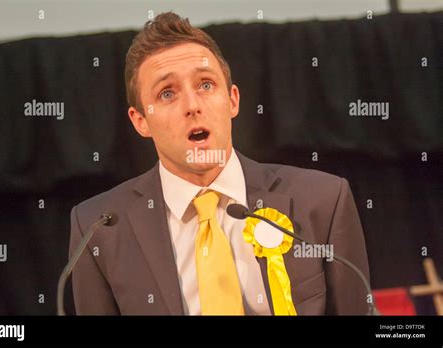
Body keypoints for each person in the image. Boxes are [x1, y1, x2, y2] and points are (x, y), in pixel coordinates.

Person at [69, 11, 370, 315]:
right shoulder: (98, 228)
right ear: (141, 121)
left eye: (205, 85)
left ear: (233, 100)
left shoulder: (324, 200)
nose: (192, 105)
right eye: (167, 93)